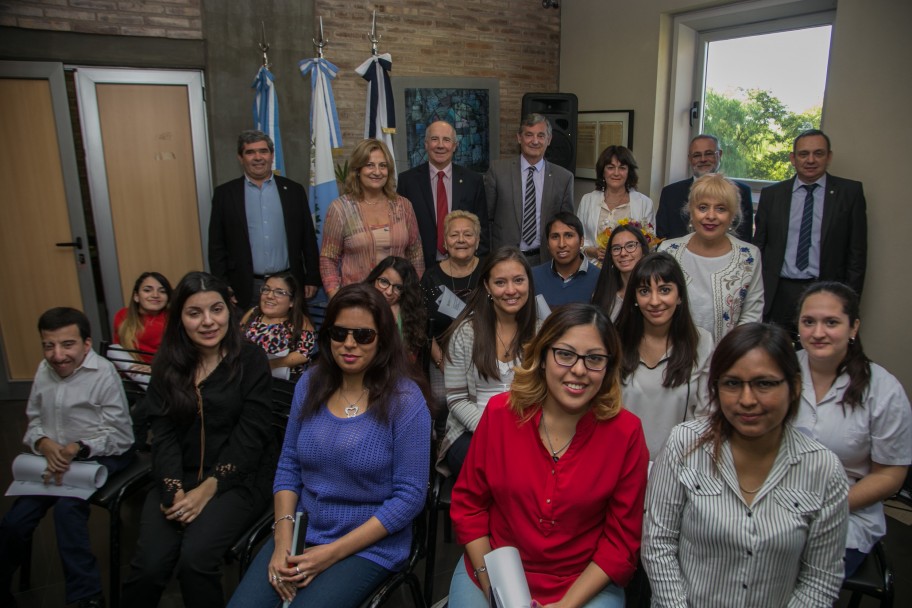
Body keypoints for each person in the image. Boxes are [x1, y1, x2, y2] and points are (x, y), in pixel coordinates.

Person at [227, 284, 431, 608]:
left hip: (369, 544)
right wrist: (282, 539)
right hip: (302, 530)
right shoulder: (310, 383)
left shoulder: (405, 401)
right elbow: (289, 465)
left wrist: (329, 554)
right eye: (339, 333)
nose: (349, 344)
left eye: (363, 335)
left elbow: (409, 497)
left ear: (383, 339)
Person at [449, 303, 649, 607]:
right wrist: (494, 590)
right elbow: (469, 508)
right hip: (493, 568)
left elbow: (620, 543)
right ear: (543, 357)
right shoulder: (501, 415)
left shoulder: (626, 434)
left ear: (608, 367)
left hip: (582, 582)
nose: (579, 370)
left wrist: (565, 606)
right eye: (565, 354)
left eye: (594, 359)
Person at [642, 323, 849, 607]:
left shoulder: (823, 469)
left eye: (764, 384)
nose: (747, 400)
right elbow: (658, 544)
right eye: (732, 384)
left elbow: (820, 580)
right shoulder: (685, 445)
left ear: (795, 386)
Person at [122, 272, 276, 608]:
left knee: (195, 560)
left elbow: (252, 435)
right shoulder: (167, 363)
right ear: (180, 317)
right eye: (195, 313)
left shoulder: (250, 360)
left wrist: (210, 487)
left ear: (229, 312)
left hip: (239, 479)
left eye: (216, 310)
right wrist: (173, 487)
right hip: (178, 472)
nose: (208, 322)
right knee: (148, 567)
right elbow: (161, 433)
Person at [0, 307, 134, 608]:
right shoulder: (43, 370)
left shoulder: (103, 373)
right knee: (16, 521)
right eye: (49, 345)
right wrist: (43, 441)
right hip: (56, 456)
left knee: (67, 511)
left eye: (67, 344)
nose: (57, 355)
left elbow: (122, 436)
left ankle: (85, 596)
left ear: (86, 344)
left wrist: (80, 447)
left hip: (101, 454)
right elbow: (34, 418)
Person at [794, 282, 911, 577]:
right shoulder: (778, 371)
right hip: (773, 505)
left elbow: (890, 475)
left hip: (844, 515)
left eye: (831, 322)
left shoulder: (883, 390)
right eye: (809, 322)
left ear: (853, 327)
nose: (818, 333)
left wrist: (825, 509)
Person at [754, 129, 867, 337]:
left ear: (829, 157)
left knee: (819, 349)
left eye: (818, 153)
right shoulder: (772, 195)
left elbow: (857, 255)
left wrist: (849, 300)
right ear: (793, 159)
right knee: (777, 355)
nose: (811, 160)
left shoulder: (849, 193)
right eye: (803, 154)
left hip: (825, 289)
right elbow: (758, 247)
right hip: (779, 291)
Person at [439, 247, 539, 479]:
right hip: (472, 431)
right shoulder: (465, 332)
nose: (511, 290)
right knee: (499, 465)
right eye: (500, 282)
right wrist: (495, 431)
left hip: (527, 430)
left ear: (529, 283)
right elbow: (457, 399)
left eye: (518, 280)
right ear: (487, 287)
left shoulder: (541, 332)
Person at [615, 252, 712, 459]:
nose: (655, 301)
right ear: (634, 297)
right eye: (644, 291)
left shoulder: (703, 343)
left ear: (679, 296)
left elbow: (706, 417)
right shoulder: (615, 342)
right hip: (621, 462)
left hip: (681, 464)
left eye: (665, 290)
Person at [209, 130, 321, 308]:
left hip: (289, 282)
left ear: (271, 155)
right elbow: (217, 246)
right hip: (246, 286)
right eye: (250, 152)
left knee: (292, 333)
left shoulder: (293, 191)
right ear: (240, 158)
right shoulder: (225, 194)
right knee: (248, 335)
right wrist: (222, 286)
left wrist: (313, 278)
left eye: (263, 151)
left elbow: (308, 238)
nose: (258, 157)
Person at [658, 173, 763, 342]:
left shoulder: (749, 256)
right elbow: (656, 307)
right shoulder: (668, 251)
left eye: (721, 208)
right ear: (691, 211)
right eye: (703, 207)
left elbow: (752, 316)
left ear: (732, 214)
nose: (711, 216)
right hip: (673, 356)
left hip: (727, 359)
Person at [320, 139, 424, 297]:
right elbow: (328, 258)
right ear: (358, 170)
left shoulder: (403, 206)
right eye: (369, 165)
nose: (377, 172)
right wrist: (335, 297)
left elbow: (415, 254)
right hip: (356, 302)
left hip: (398, 300)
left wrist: (414, 293)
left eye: (382, 166)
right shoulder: (340, 208)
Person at [397, 120, 490, 269]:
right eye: (434, 139)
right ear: (426, 144)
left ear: (454, 146)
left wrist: (478, 268)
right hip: (420, 268)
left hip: (464, 267)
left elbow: (482, 228)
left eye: (446, 140)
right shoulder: (407, 181)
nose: (440, 145)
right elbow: (400, 230)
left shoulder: (473, 180)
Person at [486, 113, 574, 265]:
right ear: (519, 138)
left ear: (549, 140)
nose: (535, 141)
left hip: (545, 260)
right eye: (529, 135)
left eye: (541, 135)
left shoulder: (564, 178)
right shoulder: (498, 171)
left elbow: (566, 226)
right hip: (504, 260)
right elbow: (485, 219)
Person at [420, 210, 483, 410]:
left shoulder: (491, 270)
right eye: (454, 235)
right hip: (443, 356)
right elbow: (422, 326)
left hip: (486, 354)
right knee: (440, 398)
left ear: (477, 240)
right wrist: (441, 362)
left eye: (468, 234)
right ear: (445, 243)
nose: (461, 240)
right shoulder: (430, 277)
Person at [656, 134, 754, 241]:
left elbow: (745, 237)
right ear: (689, 159)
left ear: (719, 154)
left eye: (709, 154)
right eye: (697, 155)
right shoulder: (670, 193)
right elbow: (662, 237)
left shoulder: (741, 191)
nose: (703, 159)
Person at [577, 145, 655, 264]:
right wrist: (591, 251)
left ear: (629, 172)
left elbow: (650, 243)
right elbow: (578, 238)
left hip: (630, 270)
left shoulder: (645, 203)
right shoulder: (587, 200)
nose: (616, 173)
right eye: (610, 167)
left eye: (622, 168)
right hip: (594, 269)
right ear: (603, 171)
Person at [241, 272, 316, 381]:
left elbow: (303, 354)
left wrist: (268, 364)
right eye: (266, 289)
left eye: (279, 292)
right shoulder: (254, 312)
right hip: (246, 377)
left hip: (282, 383)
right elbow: (237, 339)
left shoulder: (300, 320)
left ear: (292, 301)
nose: (270, 296)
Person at [363, 256, 427, 362]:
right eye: (383, 282)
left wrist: (396, 324)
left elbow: (409, 361)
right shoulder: (358, 306)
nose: (389, 292)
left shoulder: (409, 315)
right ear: (374, 279)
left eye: (398, 287)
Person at [532, 212, 600, 308]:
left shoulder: (599, 278)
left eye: (568, 235)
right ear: (547, 244)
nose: (562, 244)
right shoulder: (533, 277)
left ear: (581, 241)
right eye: (555, 237)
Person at [591, 224, 648, 321]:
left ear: (643, 250)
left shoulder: (654, 293)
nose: (623, 253)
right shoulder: (603, 293)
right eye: (616, 248)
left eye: (630, 246)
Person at [113, 271, 172, 363]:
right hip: (127, 371)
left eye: (162, 291)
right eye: (147, 290)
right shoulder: (123, 315)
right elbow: (117, 351)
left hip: (163, 372)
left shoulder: (174, 319)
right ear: (136, 296)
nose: (155, 295)